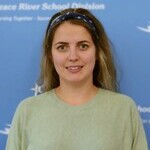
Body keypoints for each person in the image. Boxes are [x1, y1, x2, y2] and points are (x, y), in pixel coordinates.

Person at [6, 8, 148, 150]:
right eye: (62, 47)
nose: (73, 56)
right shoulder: (27, 111)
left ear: (97, 52)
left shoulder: (124, 109)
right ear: (50, 54)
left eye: (83, 46)